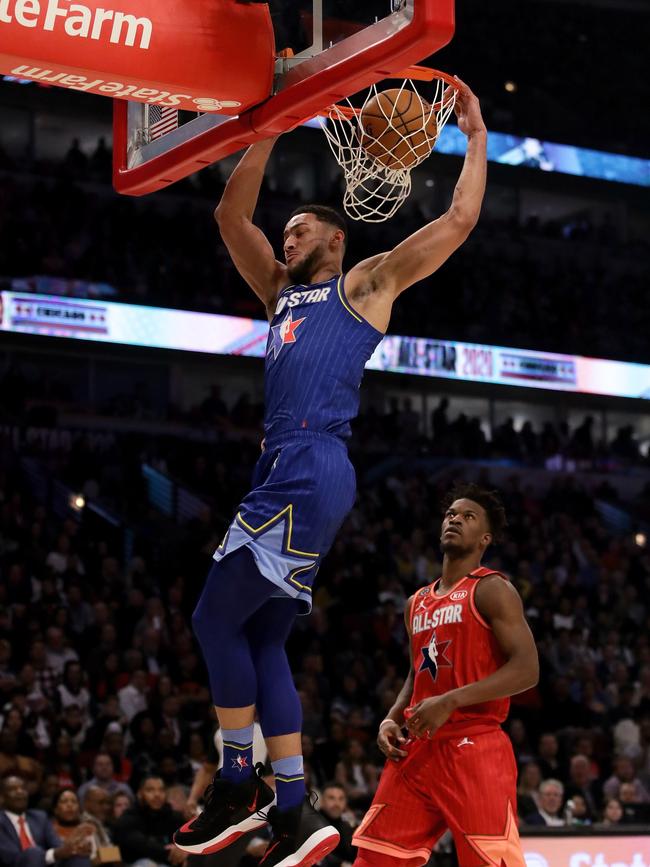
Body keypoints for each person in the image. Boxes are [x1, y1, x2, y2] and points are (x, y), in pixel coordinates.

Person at [175, 80, 489, 867]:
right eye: (285, 231)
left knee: (215, 618)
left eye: (302, 228)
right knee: (263, 636)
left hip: (309, 462)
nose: (287, 237)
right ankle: (294, 808)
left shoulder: (364, 285)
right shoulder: (281, 296)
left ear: (337, 240)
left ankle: (239, 778)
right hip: (295, 470)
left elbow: (456, 220)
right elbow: (227, 218)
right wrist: (269, 127)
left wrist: (475, 137)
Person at [350, 484, 539, 867]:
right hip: (418, 747)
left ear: (485, 538)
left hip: (475, 743)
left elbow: (527, 669)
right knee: (375, 859)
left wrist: (451, 700)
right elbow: (416, 671)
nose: (455, 519)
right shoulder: (416, 602)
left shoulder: (492, 589)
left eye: (468, 517)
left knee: (490, 861)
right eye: (451, 513)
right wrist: (391, 716)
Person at [0, 775, 91, 867]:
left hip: (46, 864)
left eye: (23, 788)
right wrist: (53, 854)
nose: (20, 792)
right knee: (33, 852)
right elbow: (13, 858)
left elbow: (58, 846)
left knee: (78, 857)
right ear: (1, 797)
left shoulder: (40, 817)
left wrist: (73, 848)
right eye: (13, 789)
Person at [113, 777, 185, 867]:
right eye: (150, 790)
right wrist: (169, 851)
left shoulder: (174, 816)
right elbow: (142, 846)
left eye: (161, 790)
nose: (157, 794)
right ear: (139, 794)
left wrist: (183, 851)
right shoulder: (128, 818)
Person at [318, 784, 356, 867]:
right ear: (322, 801)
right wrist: (341, 864)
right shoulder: (313, 824)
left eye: (341, 799)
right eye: (331, 798)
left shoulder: (346, 827)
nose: (337, 803)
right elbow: (317, 854)